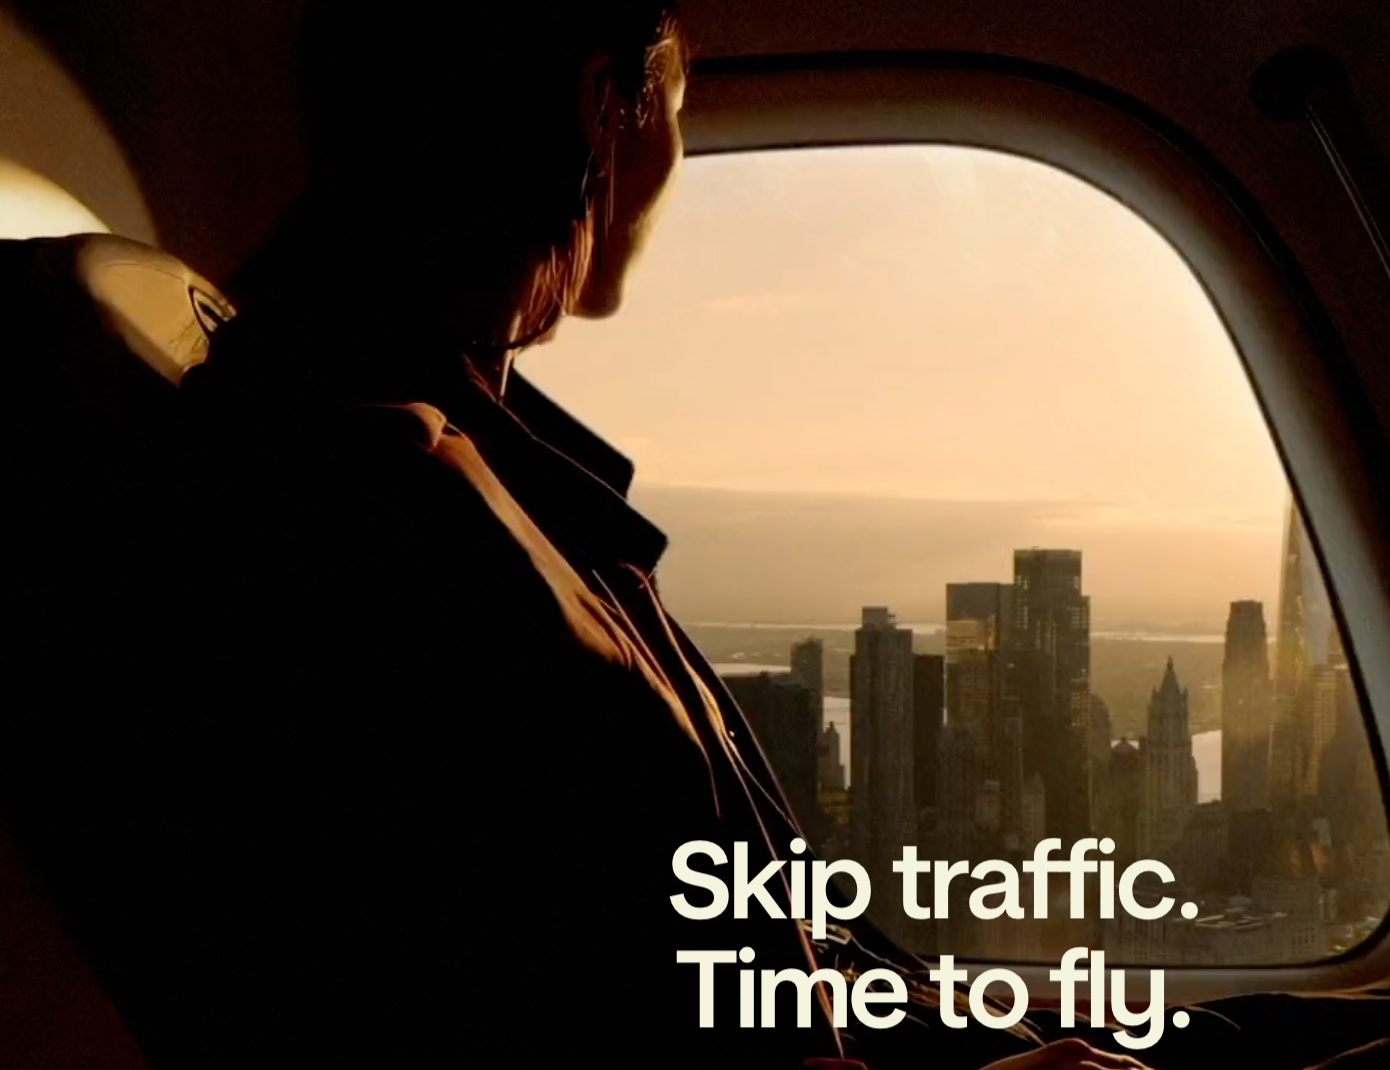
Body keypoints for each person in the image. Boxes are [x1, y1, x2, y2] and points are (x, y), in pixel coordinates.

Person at [0, 3, 1165, 1068]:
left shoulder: (472, 470)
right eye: (674, 105)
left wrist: (1019, 1026)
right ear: (604, 103)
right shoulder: (379, 513)